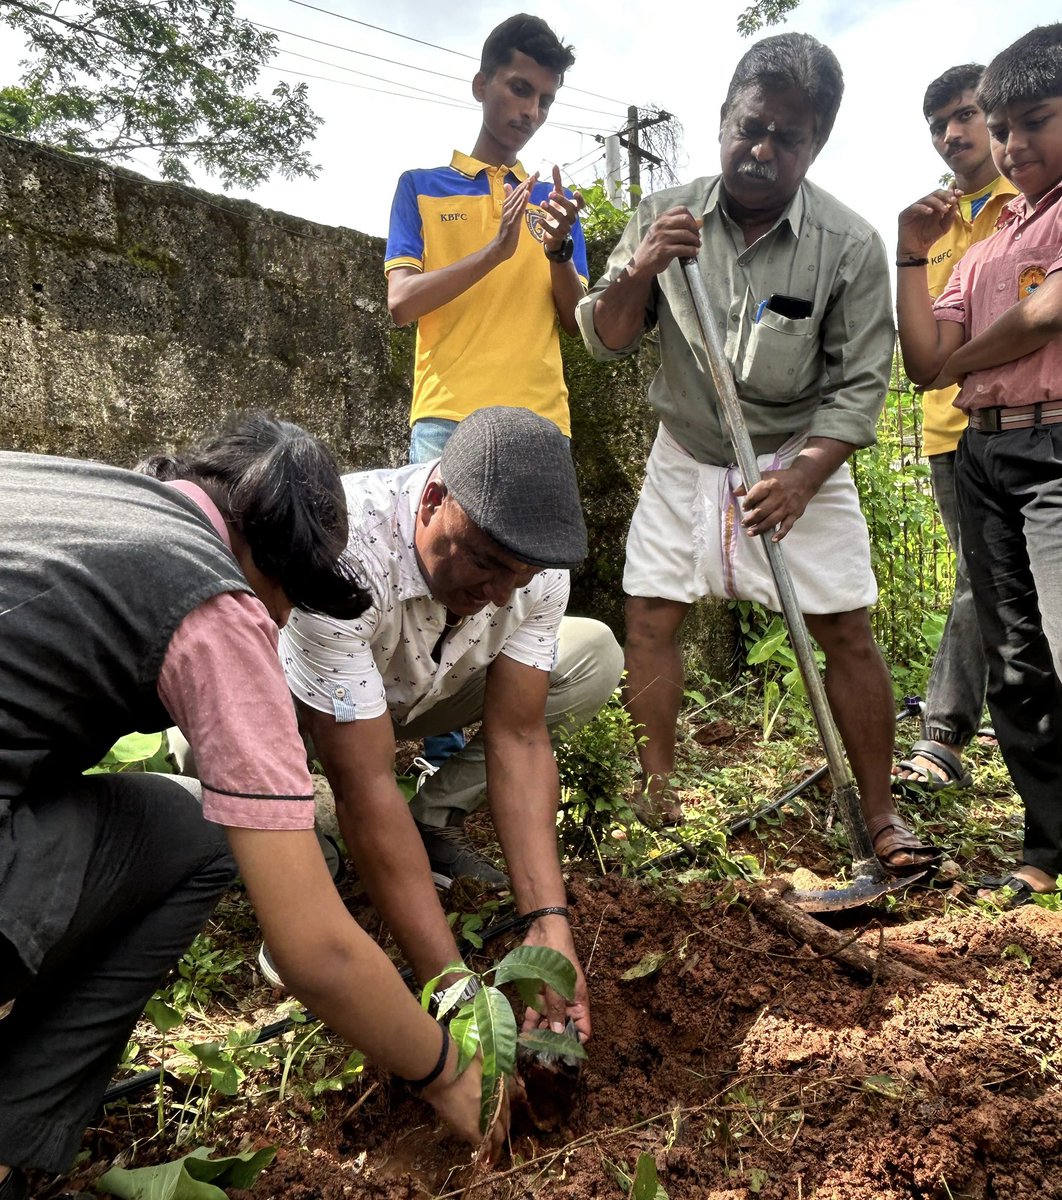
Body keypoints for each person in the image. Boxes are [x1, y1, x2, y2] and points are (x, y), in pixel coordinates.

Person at [0, 416, 501, 1200]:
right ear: (273, 568)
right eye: (290, 601)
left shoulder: (73, 489)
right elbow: (314, 950)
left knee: (170, 818)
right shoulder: (216, 607)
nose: (280, 625)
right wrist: (446, 1072)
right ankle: (11, 1130)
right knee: (199, 837)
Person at [575, 31, 938, 876]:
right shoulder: (667, 212)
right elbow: (606, 339)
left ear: (816, 143)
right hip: (688, 445)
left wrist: (804, 477)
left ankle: (880, 815)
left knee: (846, 626)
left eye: (788, 137)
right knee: (651, 613)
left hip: (794, 453)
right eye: (750, 127)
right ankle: (659, 795)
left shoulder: (846, 244)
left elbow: (859, 387)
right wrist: (639, 270)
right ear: (724, 119)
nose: (762, 151)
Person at [278, 406, 623, 1043]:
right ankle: (309, 827)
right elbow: (366, 783)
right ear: (435, 498)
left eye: (519, 577)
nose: (500, 594)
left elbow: (519, 735)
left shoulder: (531, 569)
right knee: (305, 864)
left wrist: (549, 925)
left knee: (592, 654)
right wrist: (459, 993)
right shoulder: (344, 552)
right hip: (290, 707)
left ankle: (429, 820)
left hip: (415, 686)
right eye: (486, 563)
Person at [384, 12, 588, 777]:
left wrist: (557, 248)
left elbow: (577, 320)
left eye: (543, 100)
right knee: (439, 586)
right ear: (482, 85)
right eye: (518, 89)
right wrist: (496, 250)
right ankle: (434, 755)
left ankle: (501, 751)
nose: (529, 112)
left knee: (524, 599)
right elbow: (404, 302)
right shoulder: (422, 188)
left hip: (540, 425)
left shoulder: (555, 209)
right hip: (448, 417)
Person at [895, 23, 1062, 904]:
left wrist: (965, 361)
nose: (1010, 143)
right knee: (1020, 661)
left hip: (1054, 444)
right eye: (1003, 129)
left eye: (1032, 121)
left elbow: (1045, 319)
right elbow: (924, 357)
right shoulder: (986, 239)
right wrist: (911, 252)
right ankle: (1045, 846)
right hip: (982, 450)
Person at [893, 65, 1017, 793]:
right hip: (951, 433)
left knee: (990, 579)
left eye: (966, 115)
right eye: (938, 124)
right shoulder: (931, 225)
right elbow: (919, 343)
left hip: (1034, 420)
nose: (952, 135)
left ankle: (944, 735)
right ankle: (949, 737)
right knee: (984, 577)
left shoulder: (1032, 202)